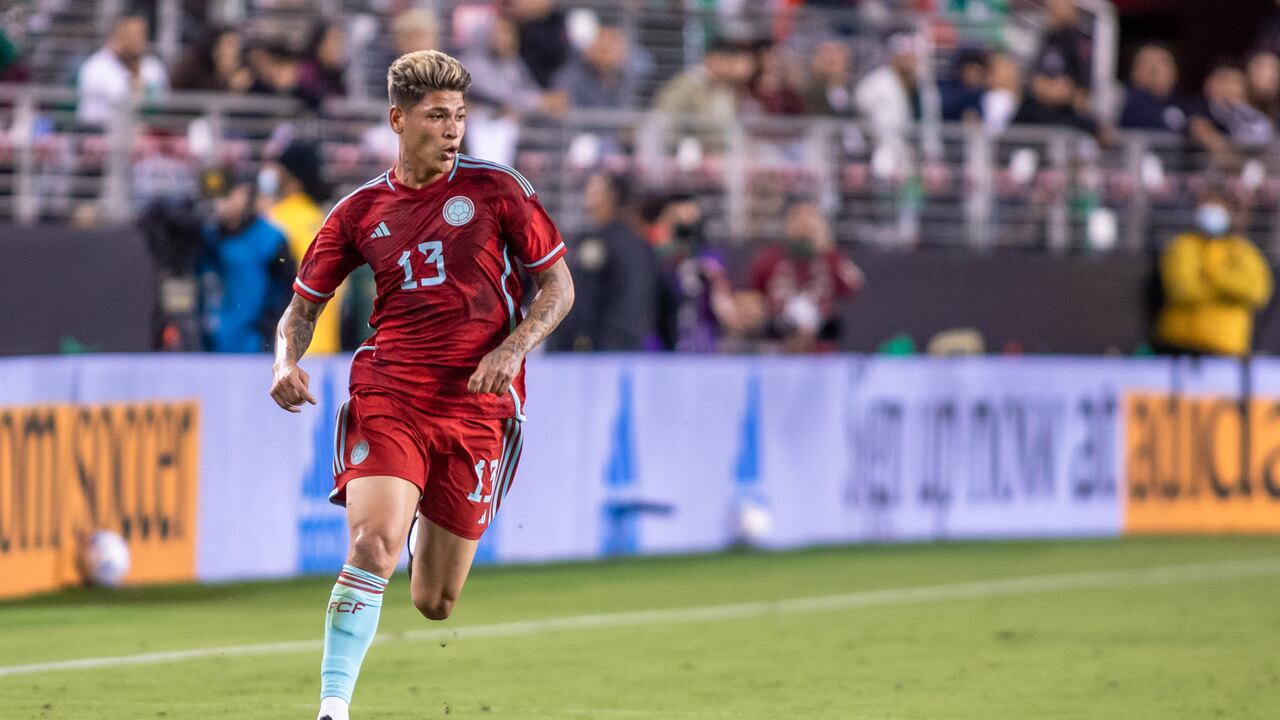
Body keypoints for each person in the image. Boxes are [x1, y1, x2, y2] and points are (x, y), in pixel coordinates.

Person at [269, 50, 574, 720]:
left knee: (436, 600)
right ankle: (332, 707)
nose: (453, 129)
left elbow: (559, 285)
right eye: (438, 116)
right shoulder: (359, 211)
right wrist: (284, 363)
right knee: (370, 546)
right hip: (391, 392)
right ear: (397, 118)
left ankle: (417, 526)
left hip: (475, 406)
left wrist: (514, 345)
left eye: (460, 116)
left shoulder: (498, 191)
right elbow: (301, 309)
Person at [1155, 191, 1273, 356]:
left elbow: (1256, 291)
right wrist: (1230, 293)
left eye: (1217, 206)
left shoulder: (1242, 249)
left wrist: (1213, 276)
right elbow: (1182, 289)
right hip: (1181, 344)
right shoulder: (1183, 246)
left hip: (1229, 346)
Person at [556, 172, 658, 351]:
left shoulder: (600, 243)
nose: (587, 191)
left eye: (594, 187)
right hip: (630, 345)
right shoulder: (639, 242)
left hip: (596, 349)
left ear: (610, 195)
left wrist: (578, 340)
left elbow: (584, 296)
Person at [262, 140, 346, 354]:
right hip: (327, 347)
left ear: (292, 177)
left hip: (288, 351)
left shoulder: (276, 220)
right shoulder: (326, 219)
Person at [200, 169, 295, 353]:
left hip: (256, 346)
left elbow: (290, 288)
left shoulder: (270, 239)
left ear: (242, 194)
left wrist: (271, 329)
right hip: (212, 347)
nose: (218, 203)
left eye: (225, 195)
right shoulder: (209, 238)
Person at [749, 200, 863, 352]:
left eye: (810, 219)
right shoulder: (771, 257)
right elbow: (754, 292)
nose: (804, 224)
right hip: (780, 342)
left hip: (820, 344)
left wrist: (828, 249)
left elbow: (853, 284)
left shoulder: (832, 257)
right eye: (798, 218)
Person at [76, 13, 169, 126]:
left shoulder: (153, 66)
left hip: (144, 133)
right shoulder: (96, 67)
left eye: (141, 34)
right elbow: (91, 112)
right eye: (130, 34)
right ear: (116, 36)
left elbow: (161, 103)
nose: (137, 40)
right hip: (99, 133)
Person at [550, 25, 637, 109]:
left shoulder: (622, 78)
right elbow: (562, 115)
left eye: (617, 49)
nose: (612, 56)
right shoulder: (569, 78)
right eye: (604, 50)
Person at [1118, 43, 1185, 133]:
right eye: (1146, 63)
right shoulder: (1120, 99)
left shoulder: (1188, 105)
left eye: (1162, 62)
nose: (1154, 70)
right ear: (1133, 71)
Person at [171, 27, 253, 93]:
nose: (234, 51)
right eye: (229, 45)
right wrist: (229, 88)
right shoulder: (192, 72)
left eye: (236, 46)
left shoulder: (246, 74)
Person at [802, 39, 856, 117]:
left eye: (836, 53)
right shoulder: (807, 92)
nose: (830, 58)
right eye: (825, 53)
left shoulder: (855, 91)